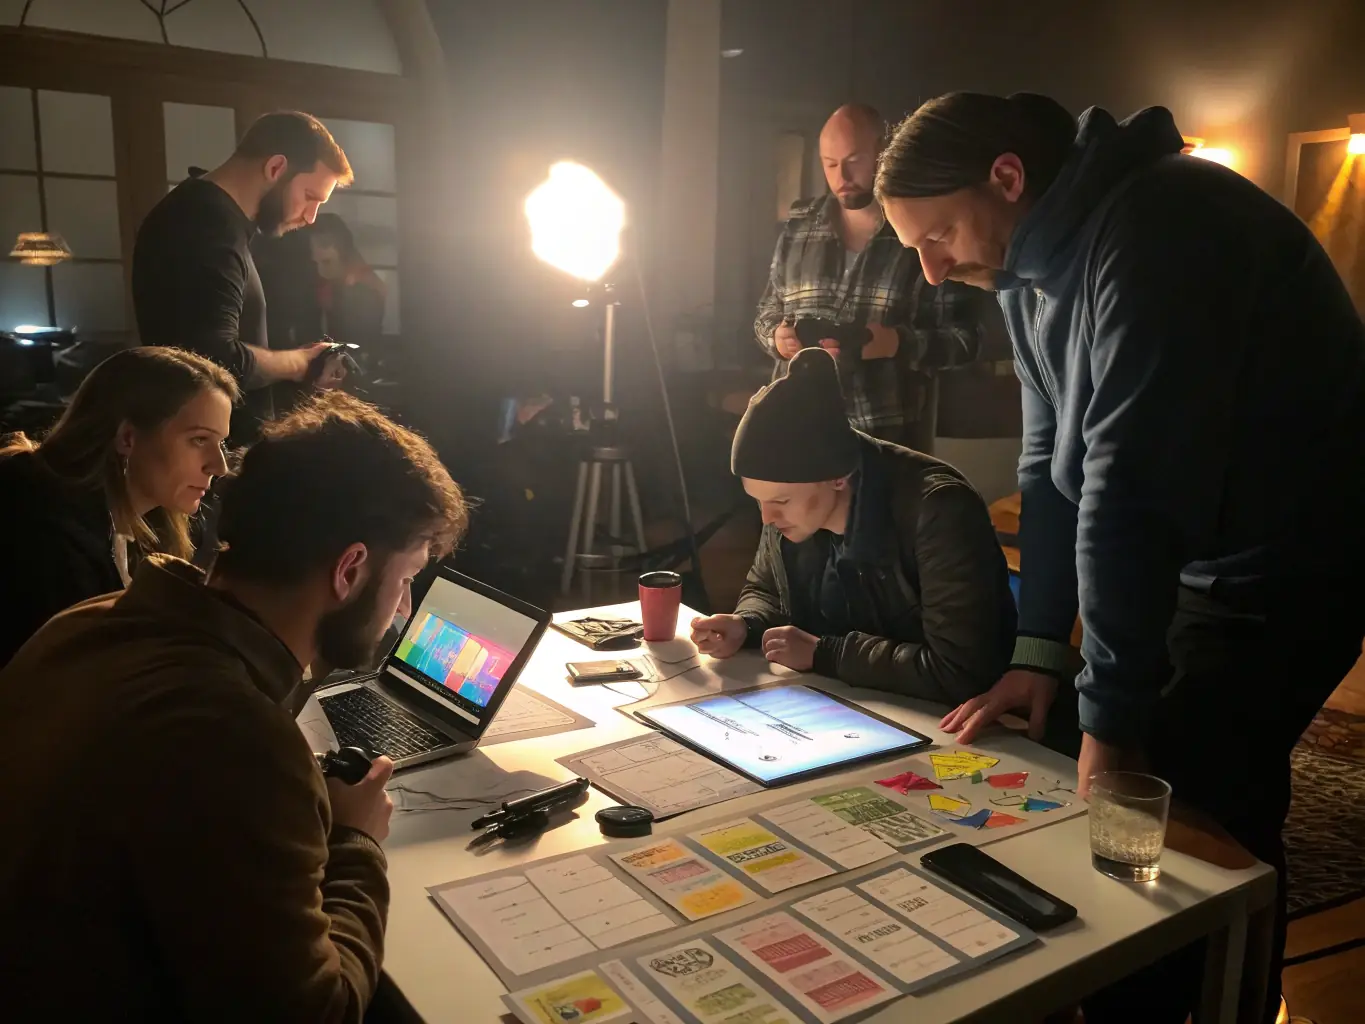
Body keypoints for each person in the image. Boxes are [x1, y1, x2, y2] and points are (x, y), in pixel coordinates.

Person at [873, 91, 1365, 1024]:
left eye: (935, 235)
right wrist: (1039, 655)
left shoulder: (1163, 227)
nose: (932, 272)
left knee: (1183, 786)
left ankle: (1202, 1001)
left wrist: (1113, 719)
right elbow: (1048, 473)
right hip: (1201, 553)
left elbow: (1127, 489)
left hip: (1298, 561)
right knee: (1107, 758)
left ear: (1007, 178)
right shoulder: (1025, 271)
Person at [0, 391, 468, 1019]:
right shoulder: (231, 735)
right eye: (406, 579)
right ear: (350, 568)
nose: (403, 611)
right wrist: (355, 838)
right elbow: (316, 1013)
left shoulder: (90, 623)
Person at [690, 348, 1014, 704]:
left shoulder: (938, 510)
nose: (766, 518)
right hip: (844, 699)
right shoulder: (791, 500)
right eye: (758, 501)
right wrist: (746, 625)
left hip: (950, 717)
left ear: (838, 478)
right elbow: (767, 589)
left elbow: (961, 670)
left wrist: (827, 654)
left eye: (779, 502)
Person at [754, 103, 982, 449]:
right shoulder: (799, 225)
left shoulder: (921, 229)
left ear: (882, 151)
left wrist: (898, 343)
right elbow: (766, 314)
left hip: (887, 441)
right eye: (830, 164)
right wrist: (778, 338)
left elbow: (968, 339)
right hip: (798, 428)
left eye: (853, 161)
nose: (841, 177)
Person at [0, 347, 236, 667]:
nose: (219, 465)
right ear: (127, 438)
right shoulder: (43, 541)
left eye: (221, 442)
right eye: (199, 440)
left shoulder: (137, 527)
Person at [133, 111, 354, 443]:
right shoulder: (207, 226)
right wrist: (298, 363)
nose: (311, 218)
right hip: (208, 453)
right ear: (276, 168)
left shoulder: (212, 216)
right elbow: (212, 361)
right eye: (310, 197)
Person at [311, 212, 388, 351]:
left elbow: (361, 345)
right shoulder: (327, 282)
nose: (320, 269)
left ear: (342, 248)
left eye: (326, 262)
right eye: (315, 263)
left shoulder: (363, 290)